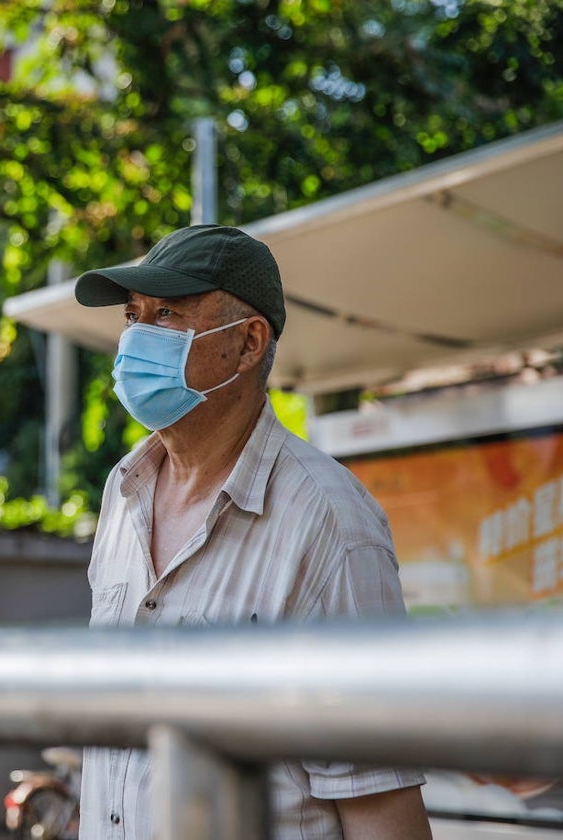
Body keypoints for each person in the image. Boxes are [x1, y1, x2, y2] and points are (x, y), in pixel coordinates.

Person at [73, 225, 432, 840]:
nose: (135, 340)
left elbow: (381, 809)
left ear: (247, 344)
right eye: (133, 316)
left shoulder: (330, 522)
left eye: (167, 315)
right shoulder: (123, 491)